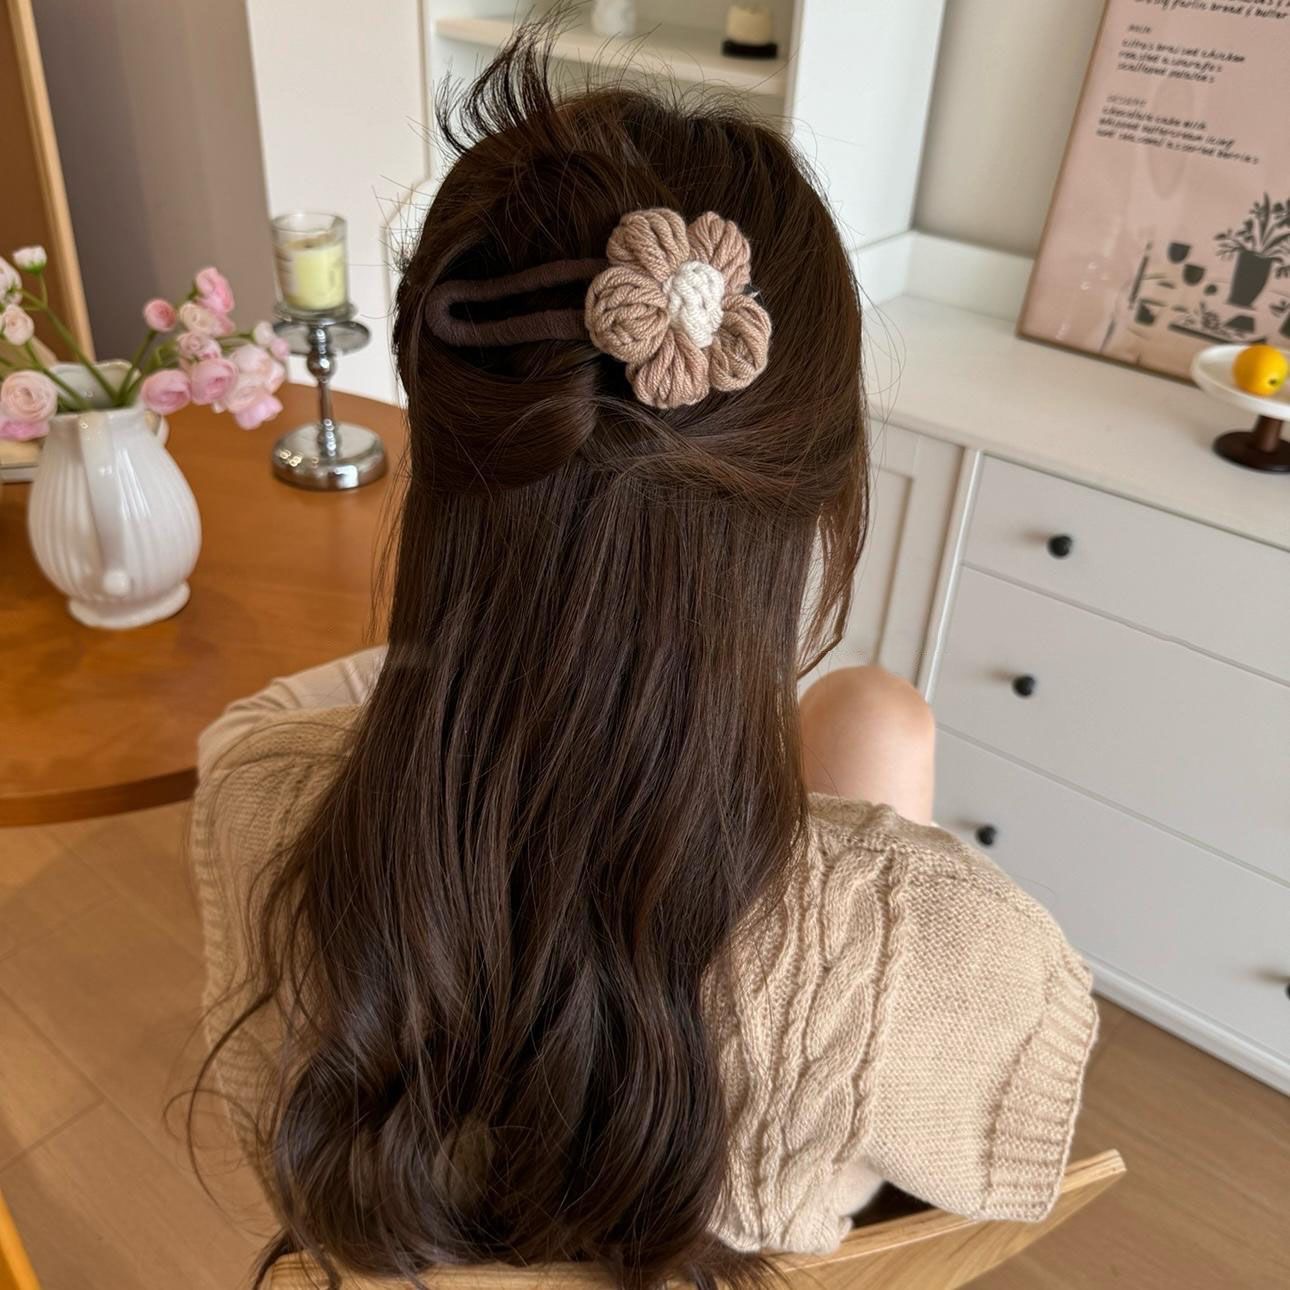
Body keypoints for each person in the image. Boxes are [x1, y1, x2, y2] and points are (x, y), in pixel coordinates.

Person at [190, 27, 1096, 1290]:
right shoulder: (944, 946)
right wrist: (869, 884)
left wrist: (512, 626)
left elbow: (306, 713)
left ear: (442, 445)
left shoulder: (255, 796)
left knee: (867, 712)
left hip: (403, 1245)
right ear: (823, 487)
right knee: (876, 714)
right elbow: (982, 1192)